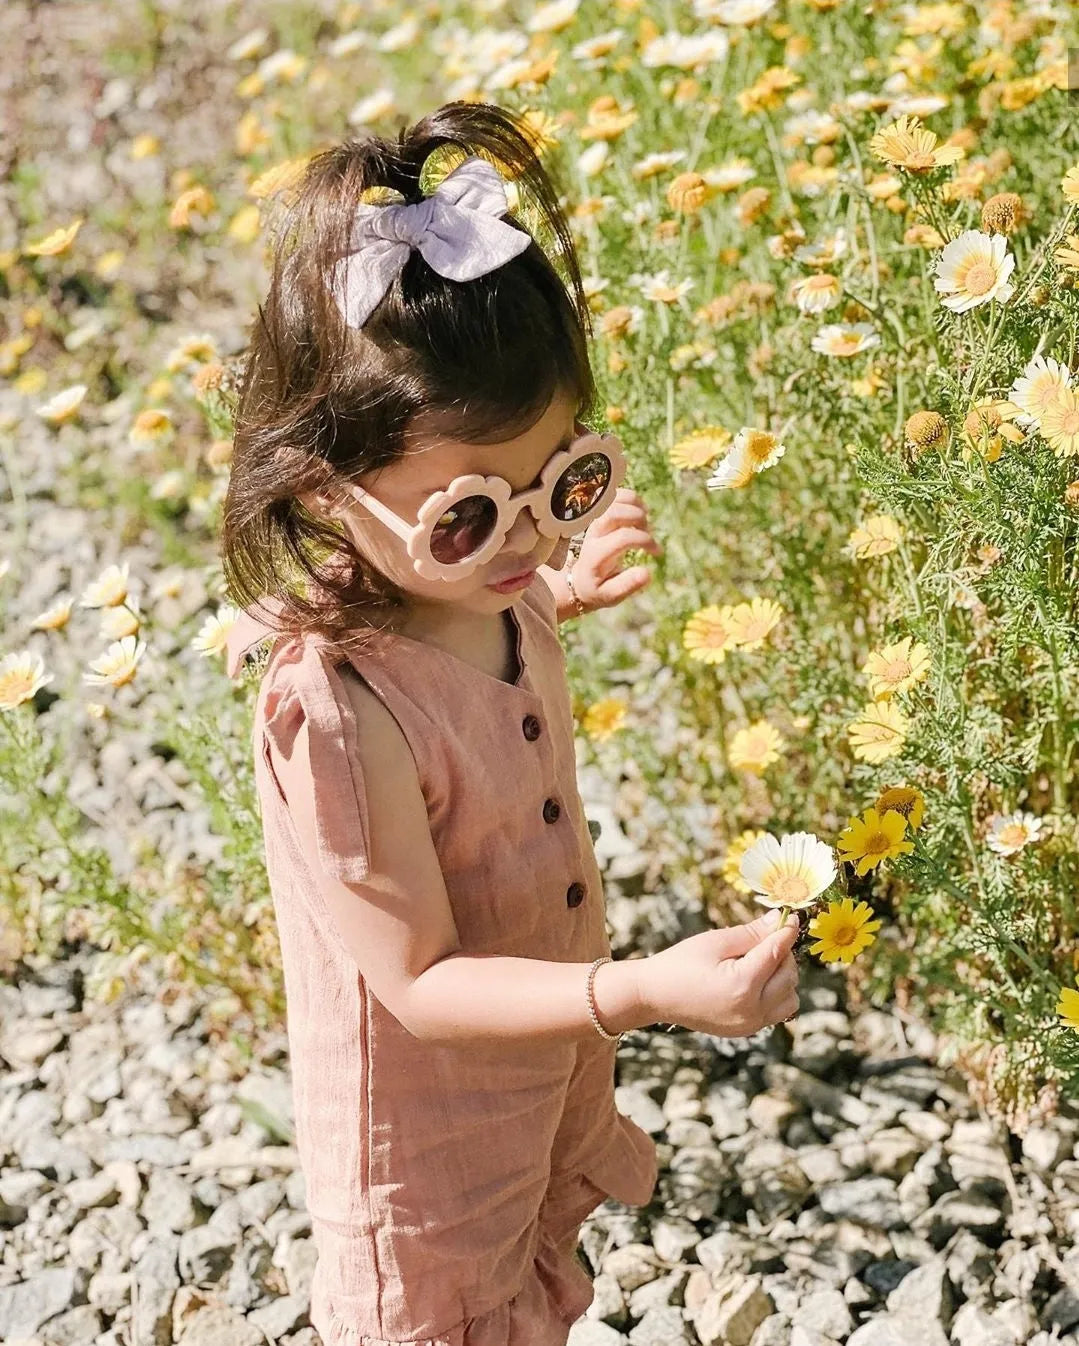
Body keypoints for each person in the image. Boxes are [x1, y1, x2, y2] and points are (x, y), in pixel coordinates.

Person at [219, 100, 801, 1346]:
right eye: (469, 518)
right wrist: (638, 986)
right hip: (423, 1149)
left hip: (534, 1079)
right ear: (324, 489)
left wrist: (560, 587)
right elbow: (419, 981)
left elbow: (493, 613)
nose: (529, 538)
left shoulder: (487, 590)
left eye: (564, 481)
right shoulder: (339, 707)